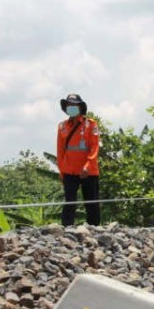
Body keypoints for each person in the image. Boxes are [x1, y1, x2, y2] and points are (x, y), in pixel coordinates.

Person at [57, 93, 101, 226]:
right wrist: (61, 171)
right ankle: (66, 228)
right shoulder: (62, 126)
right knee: (69, 201)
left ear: (80, 107)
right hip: (69, 171)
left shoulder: (91, 125)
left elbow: (94, 148)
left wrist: (88, 165)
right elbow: (60, 151)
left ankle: (94, 228)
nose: (72, 108)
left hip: (89, 171)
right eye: (69, 105)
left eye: (74, 105)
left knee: (91, 201)